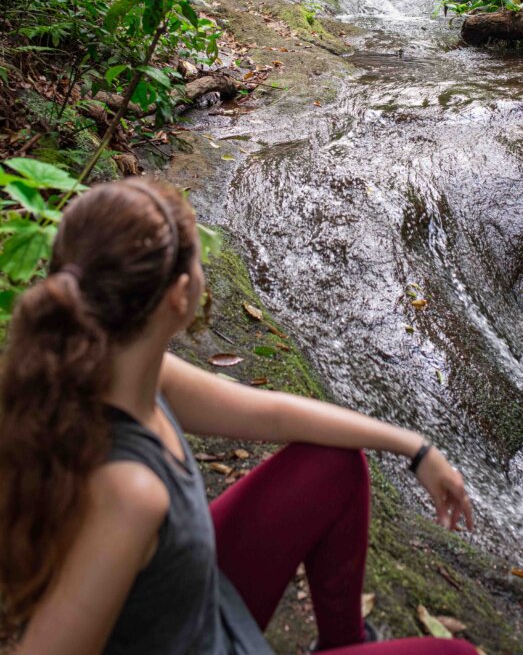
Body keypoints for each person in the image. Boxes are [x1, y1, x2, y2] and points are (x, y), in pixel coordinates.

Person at [0, 177, 478, 655]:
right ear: (179, 293)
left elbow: (273, 415)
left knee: (335, 463)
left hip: (198, 603)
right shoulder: (130, 496)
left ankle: (345, 643)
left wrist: (415, 448)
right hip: (201, 627)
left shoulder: (126, 374)